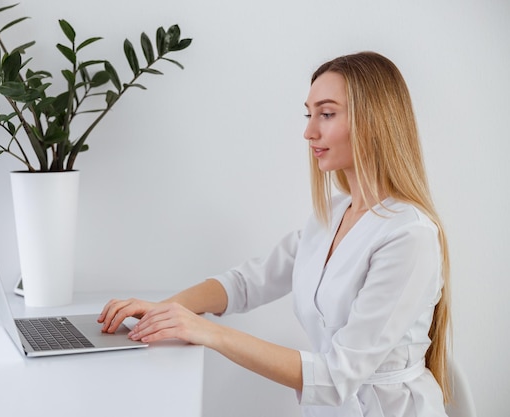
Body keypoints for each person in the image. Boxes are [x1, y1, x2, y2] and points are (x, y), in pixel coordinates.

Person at [97, 51, 452, 417]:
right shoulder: (331, 216)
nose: (308, 131)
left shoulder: (409, 237)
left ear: (374, 121)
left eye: (326, 114)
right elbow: (246, 283)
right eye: (309, 114)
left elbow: (335, 377)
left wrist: (207, 332)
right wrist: (166, 310)